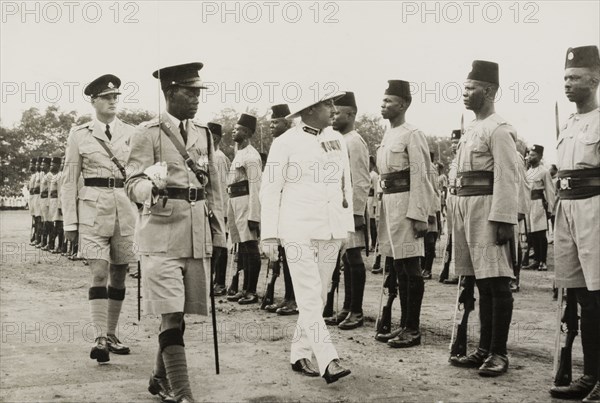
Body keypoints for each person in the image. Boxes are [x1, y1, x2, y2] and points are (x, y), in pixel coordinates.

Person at [125, 62, 226, 403]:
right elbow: (133, 181)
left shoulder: (204, 133)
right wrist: (148, 189)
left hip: (196, 235)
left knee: (179, 313)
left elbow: (213, 189)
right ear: (170, 93)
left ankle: (158, 378)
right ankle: (183, 393)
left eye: (199, 92)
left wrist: (220, 235)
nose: (196, 98)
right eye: (189, 92)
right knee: (170, 310)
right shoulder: (148, 133)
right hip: (161, 233)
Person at [260, 91, 353, 383]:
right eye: (328, 104)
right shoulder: (284, 142)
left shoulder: (335, 139)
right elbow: (270, 190)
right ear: (310, 109)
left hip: (330, 228)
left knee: (318, 294)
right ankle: (328, 359)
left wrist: (345, 226)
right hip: (297, 228)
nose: (333, 109)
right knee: (310, 294)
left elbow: (344, 185)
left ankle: (299, 353)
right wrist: (269, 236)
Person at [448, 60, 518, 377]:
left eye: (470, 88)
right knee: (481, 283)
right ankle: (483, 349)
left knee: (496, 282)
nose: (464, 93)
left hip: (488, 209)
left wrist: (503, 218)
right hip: (466, 208)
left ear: (488, 90)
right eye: (464, 87)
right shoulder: (472, 128)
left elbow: (507, 175)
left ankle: (499, 353)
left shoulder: (499, 129)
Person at [62, 74, 137, 363]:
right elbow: (69, 181)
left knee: (119, 273)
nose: (113, 101)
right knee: (99, 272)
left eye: (116, 96)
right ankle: (99, 338)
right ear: (93, 101)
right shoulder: (79, 135)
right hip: (92, 211)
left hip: (125, 209)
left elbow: (138, 172)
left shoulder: (131, 133)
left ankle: (112, 333)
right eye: (107, 97)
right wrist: (70, 223)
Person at [549, 45, 600, 402]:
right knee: (580, 295)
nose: (568, 84)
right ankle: (587, 372)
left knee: (597, 296)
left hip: (595, 210)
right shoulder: (568, 124)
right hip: (567, 210)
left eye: (576, 78)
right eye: (565, 78)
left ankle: (594, 376)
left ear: (595, 80)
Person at [376, 80, 435, 349]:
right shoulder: (388, 135)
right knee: (398, 267)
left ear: (404, 104)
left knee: (411, 269)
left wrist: (420, 214)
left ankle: (413, 328)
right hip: (390, 205)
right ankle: (402, 325)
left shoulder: (413, 134)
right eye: (383, 100)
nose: (383, 104)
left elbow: (422, 176)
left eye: (389, 101)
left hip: (407, 208)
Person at [330, 92, 371, 330]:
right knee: (346, 257)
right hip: (339, 208)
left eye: (338, 113)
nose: (333, 117)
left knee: (354, 258)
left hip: (350, 210)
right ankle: (346, 307)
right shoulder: (339, 140)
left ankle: (357, 310)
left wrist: (356, 213)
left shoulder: (355, 141)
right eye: (332, 113)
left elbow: (361, 180)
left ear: (351, 114)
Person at [262, 104, 297, 315]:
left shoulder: (294, 142)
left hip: (293, 207)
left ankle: (295, 299)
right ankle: (288, 297)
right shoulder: (279, 143)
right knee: (283, 256)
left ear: (287, 122)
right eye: (271, 123)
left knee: (293, 256)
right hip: (280, 207)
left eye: (276, 122)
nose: (272, 126)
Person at [225, 113, 263, 305]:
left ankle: (252, 290)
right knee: (242, 248)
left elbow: (256, 187)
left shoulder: (252, 156)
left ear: (247, 132)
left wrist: (254, 214)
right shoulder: (239, 153)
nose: (234, 130)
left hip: (246, 202)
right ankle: (243, 288)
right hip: (235, 201)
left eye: (238, 128)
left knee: (250, 246)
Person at [522, 145, 555, 271]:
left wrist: (550, 208)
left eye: (533, 155)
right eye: (529, 154)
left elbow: (550, 191)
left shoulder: (544, 171)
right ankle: (535, 260)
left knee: (541, 234)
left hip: (538, 204)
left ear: (540, 157)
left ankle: (543, 261)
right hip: (529, 204)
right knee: (532, 234)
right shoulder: (528, 171)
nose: (530, 157)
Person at [207, 122, 231, 297]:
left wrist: (220, 212)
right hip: (213, 208)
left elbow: (221, 187)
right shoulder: (211, 156)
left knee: (220, 245)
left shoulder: (219, 157)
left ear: (214, 138)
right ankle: (214, 281)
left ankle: (220, 283)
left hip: (220, 208)